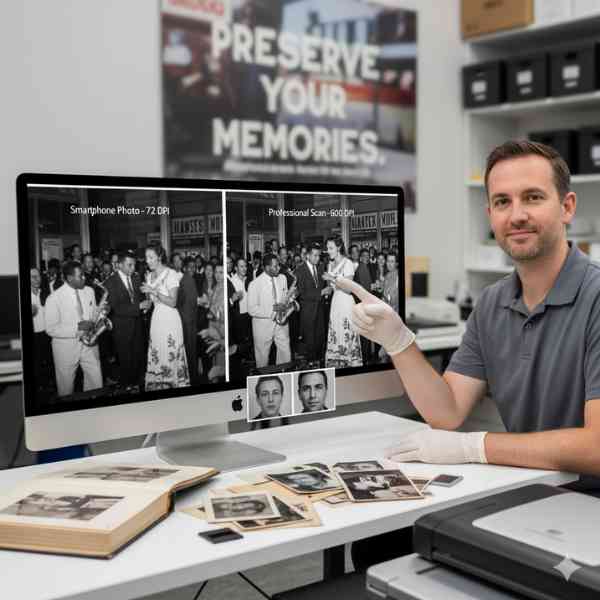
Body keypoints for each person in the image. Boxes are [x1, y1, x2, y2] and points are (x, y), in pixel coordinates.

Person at [337, 139, 600, 570]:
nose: (516, 214)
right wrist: (399, 341)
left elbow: (597, 447)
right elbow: (447, 413)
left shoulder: (595, 296)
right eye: (502, 201)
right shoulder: (493, 303)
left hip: (587, 503)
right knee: (378, 546)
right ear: (490, 215)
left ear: (567, 206)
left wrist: (473, 447)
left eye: (533, 197)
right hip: (531, 488)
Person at [44, 261, 103, 397]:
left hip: (90, 344)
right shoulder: (54, 298)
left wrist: (102, 312)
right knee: (66, 389)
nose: (84, 278)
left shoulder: (89, 291)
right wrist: (77, 328)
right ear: (69, 278)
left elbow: (93, 314)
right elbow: (51, 328)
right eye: (80, 276)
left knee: (96, 382)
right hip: (66, 348)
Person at [141, 243, 189, 390]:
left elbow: (173, 302)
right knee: (157, 353)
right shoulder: (149, 276)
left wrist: (154, 292)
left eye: (151, 257)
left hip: (170, 319)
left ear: (159, 257)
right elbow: (152, 301)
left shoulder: (171, 274)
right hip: (156, 319)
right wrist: (146, 304)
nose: (147, 260)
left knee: (170, 354)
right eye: (146, 257)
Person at [104, 252, 150, 390]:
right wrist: (138, 306)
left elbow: (141, 297)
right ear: (119, 265)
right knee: (125, 360)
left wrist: (146, 305)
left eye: (134, 264)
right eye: (129, 265)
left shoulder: (136, 278)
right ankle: (127, 387)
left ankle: (137, 384)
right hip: (121, 328)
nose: (133, 268)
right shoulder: (110, 282)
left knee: (138, 357)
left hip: (137, 325)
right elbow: (116, 307)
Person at [323, 237, 362, 368]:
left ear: (338, 248)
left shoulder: (348, 263)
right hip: (335, 303)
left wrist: (332, 279)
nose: (328, 251)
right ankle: (337, 365)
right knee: (336, 334)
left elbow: (349, 289)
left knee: (346, 335)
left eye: (331, 248)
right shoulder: (330, 264)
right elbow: (331, 288)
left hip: (346, 303)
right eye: (327, 248)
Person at [247, 254, 291, 368]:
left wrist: (291, 299)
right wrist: (273, 310)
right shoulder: (254, 284)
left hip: (281, 324)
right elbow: (251, 309)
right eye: (275, 266)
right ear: (266, 268)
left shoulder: (283, 278)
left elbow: (285, 297)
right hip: (263, 327)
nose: (278, 268)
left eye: (278, 265)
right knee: (262, 359)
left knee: (286, 354)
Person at [295, 244, 330, 362]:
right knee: (310, 342)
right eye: (314, 255)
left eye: (318, 256)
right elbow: (302, 293)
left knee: (320, 339)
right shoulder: (300, 270)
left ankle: (319, 363)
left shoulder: (320, 268)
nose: (317, 258)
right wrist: (321, 292)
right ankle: (311, 366)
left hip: (320, 309)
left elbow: (323, 286)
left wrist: (327, 290)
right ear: (308, 256)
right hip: (308, 311)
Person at [177, 257, 199, 384]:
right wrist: (202, 301)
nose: (192, 269)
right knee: (191, 351)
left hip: (186, 319)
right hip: (188, 321)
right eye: (190, 267)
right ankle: (193, 378)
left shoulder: (185, 279)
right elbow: (192, 301)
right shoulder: (188, 280)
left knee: (189, 351)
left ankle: (190, 377)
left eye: (194, 267)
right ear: (184, 268)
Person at [31, 267, 52, 391]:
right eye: (33, 277)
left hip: (47, 333)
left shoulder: (44, 292)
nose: (37, 279)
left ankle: (48, 384)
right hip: (34, 335)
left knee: (48, 361)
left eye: (38, 276)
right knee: (36, 363)